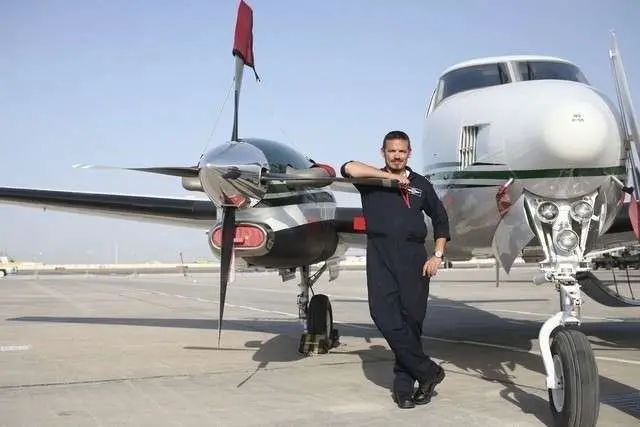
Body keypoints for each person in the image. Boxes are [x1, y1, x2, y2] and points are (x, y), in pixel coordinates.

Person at [341, 130, 450, 409]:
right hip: (380, 255)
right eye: (392, 151)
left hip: (414, 258)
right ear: (383, 153)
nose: (397, 155)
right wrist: (390, 178)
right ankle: (428, 371)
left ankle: (406, 386)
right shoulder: (371, 181)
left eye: (402, 151)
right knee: (382, 315)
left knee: (411, 322)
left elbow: (440, 219)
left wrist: (437, 255)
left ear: (409, 153)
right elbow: (347, 166)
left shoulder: (421, 185)